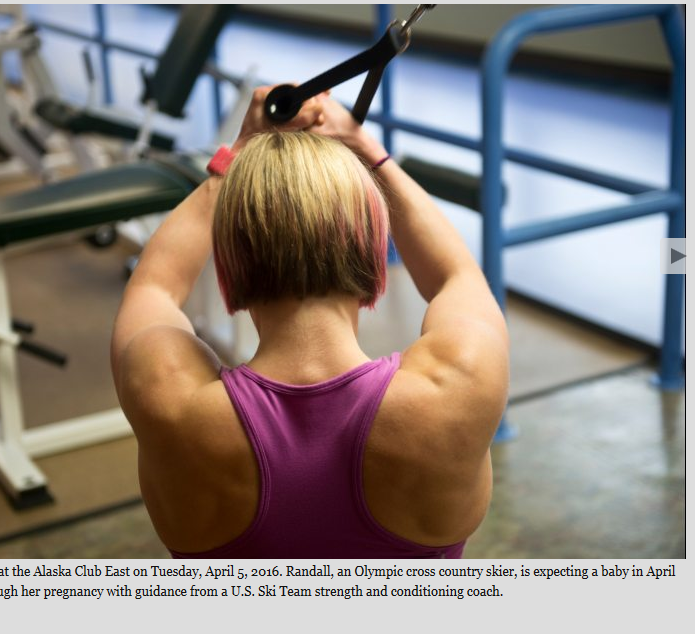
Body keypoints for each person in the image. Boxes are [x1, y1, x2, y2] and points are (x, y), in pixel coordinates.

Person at [111, 87, 509, 558]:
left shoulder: (170, 400)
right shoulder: (457, 386)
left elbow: (153, 286)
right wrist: (366, 149)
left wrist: (235, 158)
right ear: (373, 252)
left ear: (229, 263)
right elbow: (455, 275)